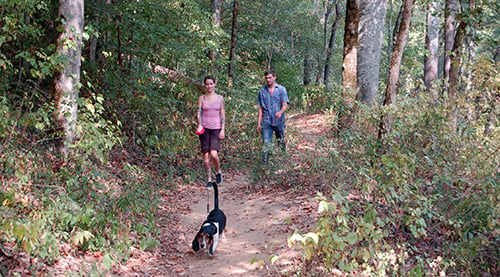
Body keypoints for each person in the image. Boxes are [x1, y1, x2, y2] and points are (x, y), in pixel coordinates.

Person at [197, 76, 225, 186]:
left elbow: (222, 114)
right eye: (207, 84)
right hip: (204, 128)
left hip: (216, 128)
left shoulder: (219, 98)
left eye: (211, 84)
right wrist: (199, 124)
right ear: (205, 85)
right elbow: (199, 112)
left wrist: (222, 129)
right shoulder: (202, 98)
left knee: (214, 154)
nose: (209, 86)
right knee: (206, 156)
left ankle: (218, 171)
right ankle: (209, 179)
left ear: (215, 84)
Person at [257, 69, 289, 164]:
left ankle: (283, 162)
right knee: (266, 144)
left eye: (270, 77)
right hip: (267, 121)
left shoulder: (281, 90)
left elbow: (285, 105)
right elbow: (260, 108)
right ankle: (264, 166)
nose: (268, 80)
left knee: (281, 141)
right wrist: (259, 123)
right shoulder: (262, 91)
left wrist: (280, 112)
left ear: (274, 77)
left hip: (279, 121)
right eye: (266, 78)